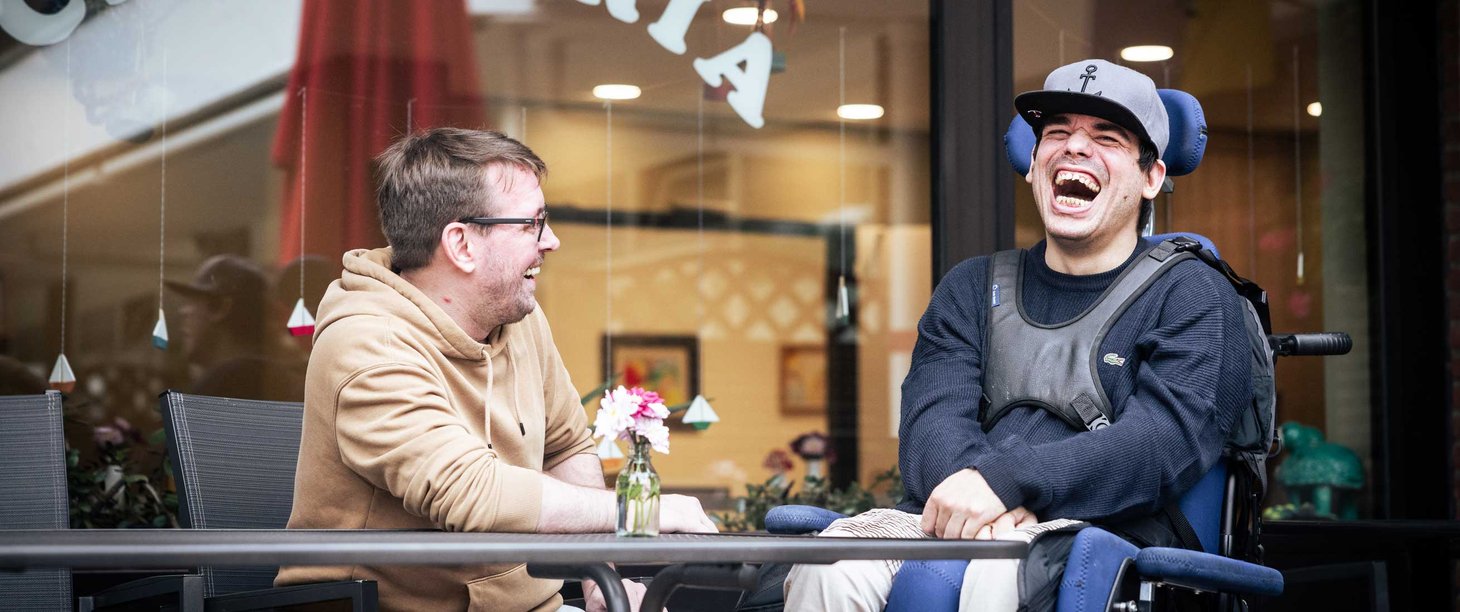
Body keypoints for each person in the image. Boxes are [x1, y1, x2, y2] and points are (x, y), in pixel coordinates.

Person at [783, 59, 1252, 611]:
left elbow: (1158, 446)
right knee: (832, 562)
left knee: (995, 570)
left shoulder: (1194, 293)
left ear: (1151, 177)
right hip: (958, 518)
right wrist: (984, 498)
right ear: (1033, 164)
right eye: (1056, 133)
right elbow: (931, 423)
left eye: (1107, 137)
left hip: (1108, 535)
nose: (1076, 148)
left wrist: (1004, 483)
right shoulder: (970, 287)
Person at [276, 128, 718, 611]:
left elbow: (565, 445)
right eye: (533, 223)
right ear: (462, 244)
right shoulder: (367, 343)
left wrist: (600, 578)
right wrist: (643, 512)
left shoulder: (517, 318)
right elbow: (472, 494)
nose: (552, 241)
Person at [166, 254, 305, 401]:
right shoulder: (281, 381)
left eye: (193, 302)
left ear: (220, 308)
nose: (184, 312)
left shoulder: (225, 383)